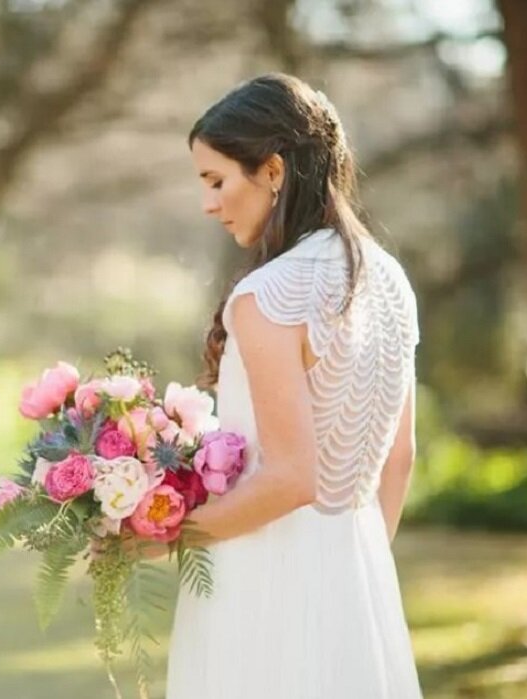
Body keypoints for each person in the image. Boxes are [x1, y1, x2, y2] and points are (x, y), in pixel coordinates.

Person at [164, 73, 424, 698]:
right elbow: (399, 458)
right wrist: (348, 574)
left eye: (217, 180)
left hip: (259, 581)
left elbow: (291, 477)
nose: (209, 204)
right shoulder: (389, 282)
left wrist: (165, 536)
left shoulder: (267, 295)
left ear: (273, 171)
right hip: (360, 577)